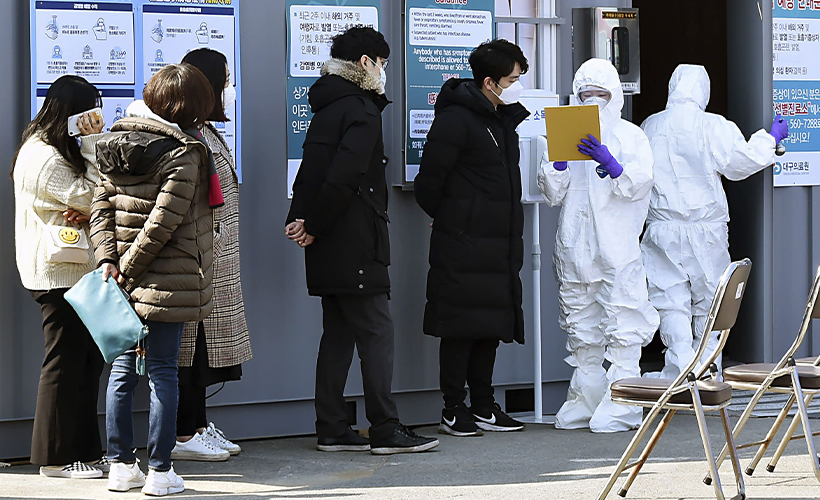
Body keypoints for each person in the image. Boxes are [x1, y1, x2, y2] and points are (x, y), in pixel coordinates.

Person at [285, 26, 438, 455]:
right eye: (382, 63)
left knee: (337, 333)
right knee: (376, 332)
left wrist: (301, 219)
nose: (384, 71)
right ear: (366, 62)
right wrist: (313, 224)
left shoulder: (327, 105)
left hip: (329, 239)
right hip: (355, 237)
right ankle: (385, 428)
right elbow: (345, 175)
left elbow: (311, 167)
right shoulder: (362, 109)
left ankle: (332, 427)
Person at [91, 63, 217, 496]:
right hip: (168, 282)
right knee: (163, 371)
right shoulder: (184, 152)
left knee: (122, 370)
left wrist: (109, 262)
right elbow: (163, 224)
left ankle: (121, 467)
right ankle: (160, 473)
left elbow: (100, 209)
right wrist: (127, 269)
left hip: (122, 280)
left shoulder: (115, 141)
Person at [640, 64, 788, 379]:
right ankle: (706, 371)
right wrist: (770, 139)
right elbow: (740, 162)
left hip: (662, 229)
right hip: (705, 230)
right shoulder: (712, 125)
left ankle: (680, 371)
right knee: (710, 301)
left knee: (669, 299)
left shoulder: (651, 125)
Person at [413, 39, 529, 437]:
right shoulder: (456, 119)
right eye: (511, 80)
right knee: (459, 327)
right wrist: (451, 219)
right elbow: (429, 181)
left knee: (489, 326)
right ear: (489, 82)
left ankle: (483, 404)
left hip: (498, 241)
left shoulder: (501, 120)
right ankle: (453, 408)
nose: (516, 86)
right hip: (463, 242)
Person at [537, 58, 659, 433]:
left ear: (615, 95)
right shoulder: (564, 135)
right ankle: (586, 397)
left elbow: (641, 183)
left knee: (623, 319)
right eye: (585, 94)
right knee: (580, 323)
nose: (592, 100)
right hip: (574, 247)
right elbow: (552, 194)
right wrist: (557, 164)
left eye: (601, 94)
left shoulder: (630, 136)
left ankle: (624, 402)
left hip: (616, 247)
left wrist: (613, 165)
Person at [12, 75, 106, 479]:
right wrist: (93, 144)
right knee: (64, 363)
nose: (93, 122)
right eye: (89, 115)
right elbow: (95, 194)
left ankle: (85, 451)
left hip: (75, 271)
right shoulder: (44, 156)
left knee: (87, 363)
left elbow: (91, 200)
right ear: (70, 113)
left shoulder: (55, 148)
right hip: (56, 274)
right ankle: (54, 459)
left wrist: (87, 209)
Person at [170, 48, 251, 462]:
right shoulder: (187, 135)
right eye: (225, 80)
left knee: (204, 350)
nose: (229, 88)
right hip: (198, 260)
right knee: (190, 350)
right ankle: (184, 433)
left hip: (214, 259)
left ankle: (199, 425)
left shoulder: (205, 130)